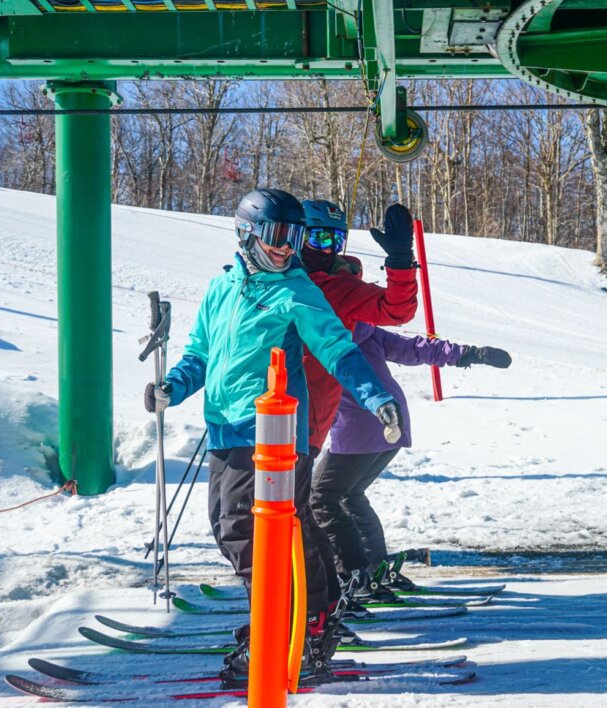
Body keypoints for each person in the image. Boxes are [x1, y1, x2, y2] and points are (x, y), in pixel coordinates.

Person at [144, 188, 400, 678]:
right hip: (225, 429)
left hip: (273, 432)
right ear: (247, 233)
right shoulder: (222, 288)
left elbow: (338, 350)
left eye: (295, 237)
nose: (287, 248)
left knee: (248, 530)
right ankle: (313, 618)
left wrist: (375, 397)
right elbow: (200, 353)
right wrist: (171, 387)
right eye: (278, 235)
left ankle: (283, 630)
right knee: (240, 524)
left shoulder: (298, 290)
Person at [311, 323, 511, 597]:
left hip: (357, 428)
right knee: (350, 495)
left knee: (322, 497)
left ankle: (354, 576)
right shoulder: (362, 327)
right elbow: (413, 348)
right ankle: (374, 569)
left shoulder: (316, 330)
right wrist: (468, 353)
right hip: (393, 422)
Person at [295, 199, 420, 602]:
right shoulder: (274, 280)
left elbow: (397, 310)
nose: (327, 247)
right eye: (318, 236)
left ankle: (332, 592)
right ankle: (332, 585)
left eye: (335, 239)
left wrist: (401, 260)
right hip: (265, 415)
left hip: (311, 422)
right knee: (304, 506)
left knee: (312, 504)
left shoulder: (340, 288)